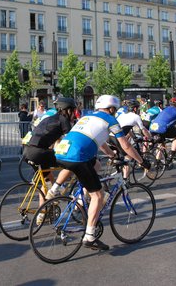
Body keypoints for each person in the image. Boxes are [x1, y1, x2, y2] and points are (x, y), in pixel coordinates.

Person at [55, 95, 150, 251]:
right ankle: (90, 236)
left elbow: (102, 144)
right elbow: (125, 145)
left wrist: (112, 155)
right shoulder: (110, 120)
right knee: (98, 194)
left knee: (92, 176)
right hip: (79, 156)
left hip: (62, 152)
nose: (115, 112)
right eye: (115, 109)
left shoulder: (87, 117)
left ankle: (76, 201)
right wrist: (142, 161)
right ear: (111, 109)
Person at [22, 97, 76, 198]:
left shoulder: (49, 118)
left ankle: (43, 212)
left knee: (47, 182)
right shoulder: (63, 120)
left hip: (27, 151)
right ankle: (59, 188)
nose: (74, 114)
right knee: (72, 164)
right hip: (39, 153)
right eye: (73, 110)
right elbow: (72, 140)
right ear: (68, 110)